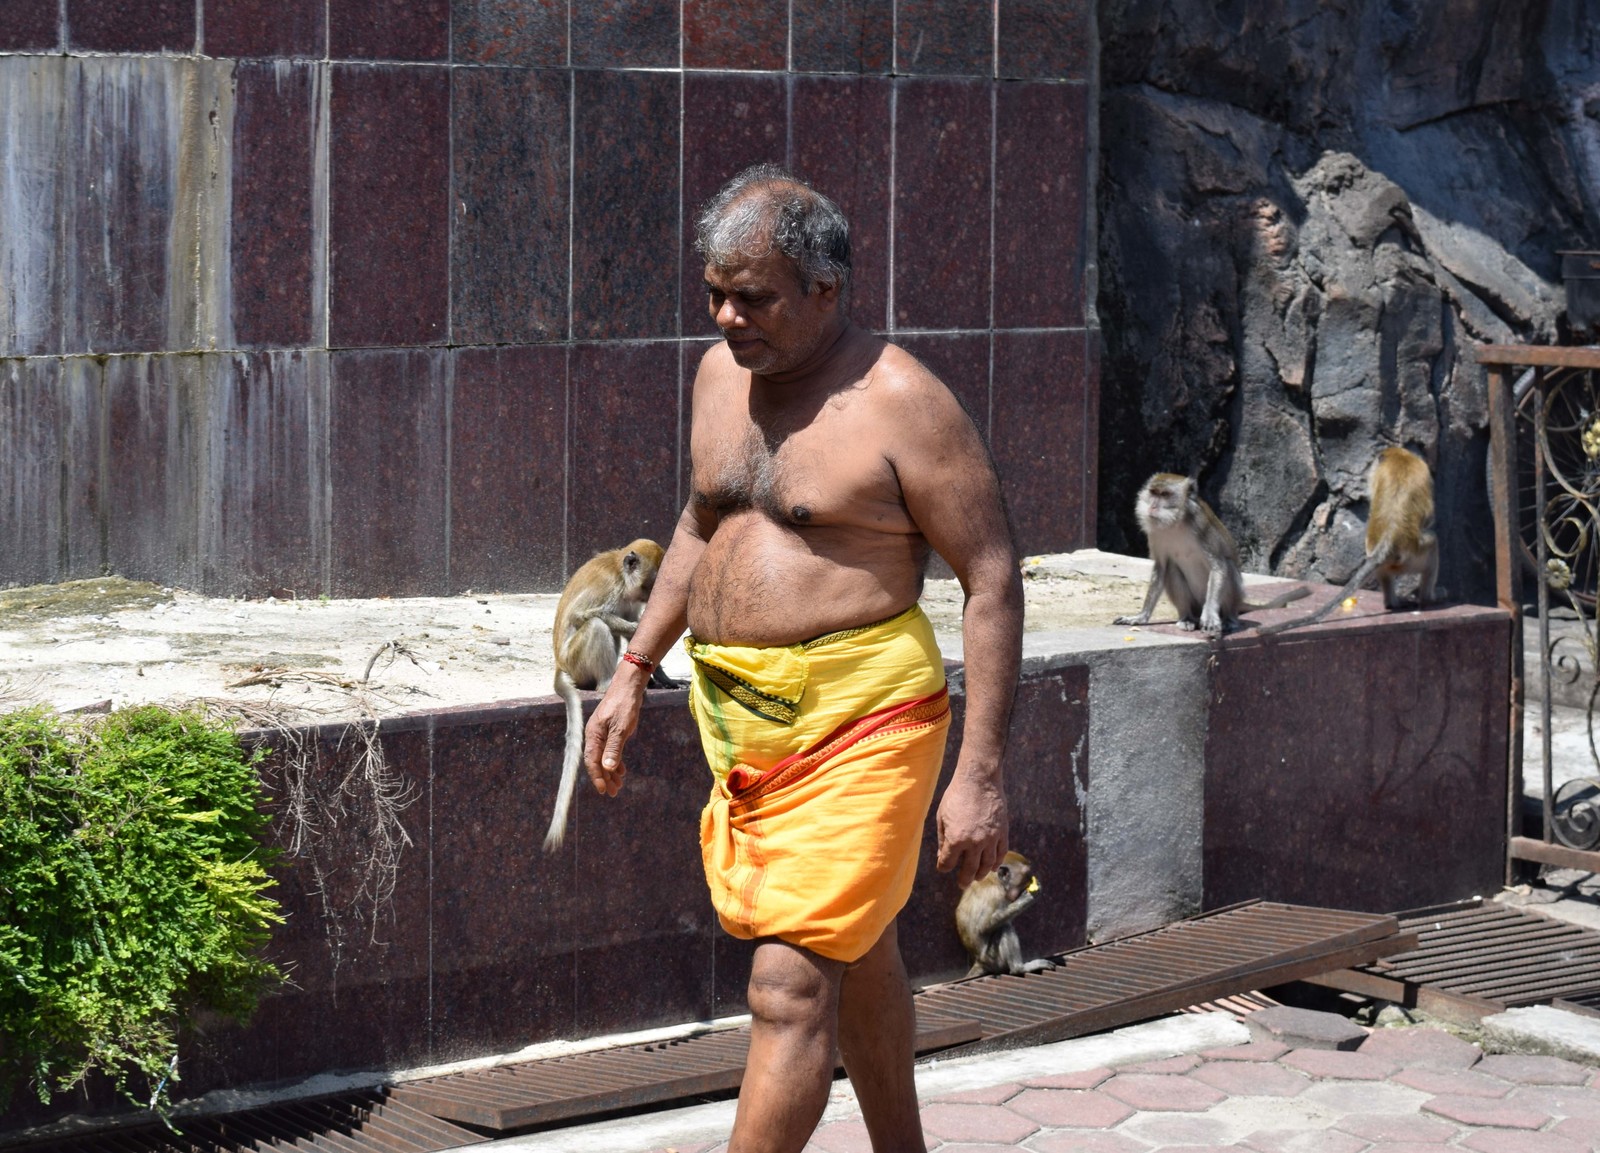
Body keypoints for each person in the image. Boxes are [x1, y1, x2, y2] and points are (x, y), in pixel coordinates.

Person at [582, 163, 1023, 1153]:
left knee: (787, 987)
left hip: (865, 722)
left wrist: (979, 773)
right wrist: (632, 668)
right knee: (853, 949)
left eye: (754, 297)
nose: (729, 317)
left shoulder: (901, 400)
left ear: (827, 289)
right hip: (739, 724)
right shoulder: (714, 376)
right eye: (715, 293)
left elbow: (991, 576)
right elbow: (702, 521)